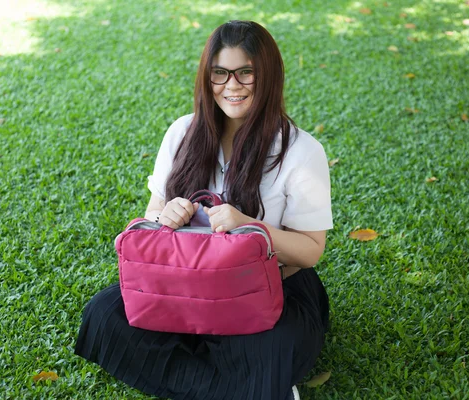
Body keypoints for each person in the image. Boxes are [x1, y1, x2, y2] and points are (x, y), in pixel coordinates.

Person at [75, 20, 333, 400]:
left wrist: (250, 228)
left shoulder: (300, 150)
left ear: (269, 77)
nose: (232, 86)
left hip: (267, 289)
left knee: (266, 348)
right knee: (103, 316)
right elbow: (151, 218)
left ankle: (244, 378)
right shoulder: (182, 132)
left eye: (246, 73)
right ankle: (248, 387)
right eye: (220, 73)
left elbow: (311, 250)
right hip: (181, 282)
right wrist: (165, 218)